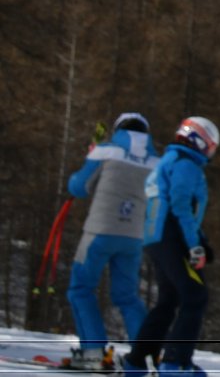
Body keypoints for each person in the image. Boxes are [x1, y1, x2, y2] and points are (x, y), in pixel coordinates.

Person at [122, 117, 219, 377]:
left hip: (156, 235)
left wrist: (201, 241)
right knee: (195, 296)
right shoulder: (187, 164)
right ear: (199, 141)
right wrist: (194, 245)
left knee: (169, 299)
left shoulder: (170, 160)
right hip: (171, 235)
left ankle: (137, 361)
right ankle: (175, 363)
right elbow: (180, 205)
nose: (210, 153)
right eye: (211, 146)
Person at [65, 112, 157, 371]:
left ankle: (94, 356)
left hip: (99, 231)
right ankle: (145, 357)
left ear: (118, 129)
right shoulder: (156, 161)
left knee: (81, 289)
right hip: (134, 236)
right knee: (127, 297)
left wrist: (89, 157)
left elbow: (78, 187)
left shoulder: (106, 151)